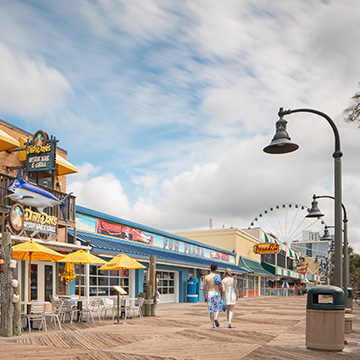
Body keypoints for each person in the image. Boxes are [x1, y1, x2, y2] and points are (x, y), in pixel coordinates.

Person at [204, 263, 223, 328]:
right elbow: (220, 286)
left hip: (210, 293)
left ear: (210, 268)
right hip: (216, 292)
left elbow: (205, 287)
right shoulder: (217, 276)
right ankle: (216, 317)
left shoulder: (206, 277)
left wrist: (205, 296)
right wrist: (221, 294)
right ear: (216, 269)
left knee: (211, 309)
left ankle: (212, 324)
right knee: (218, 308)